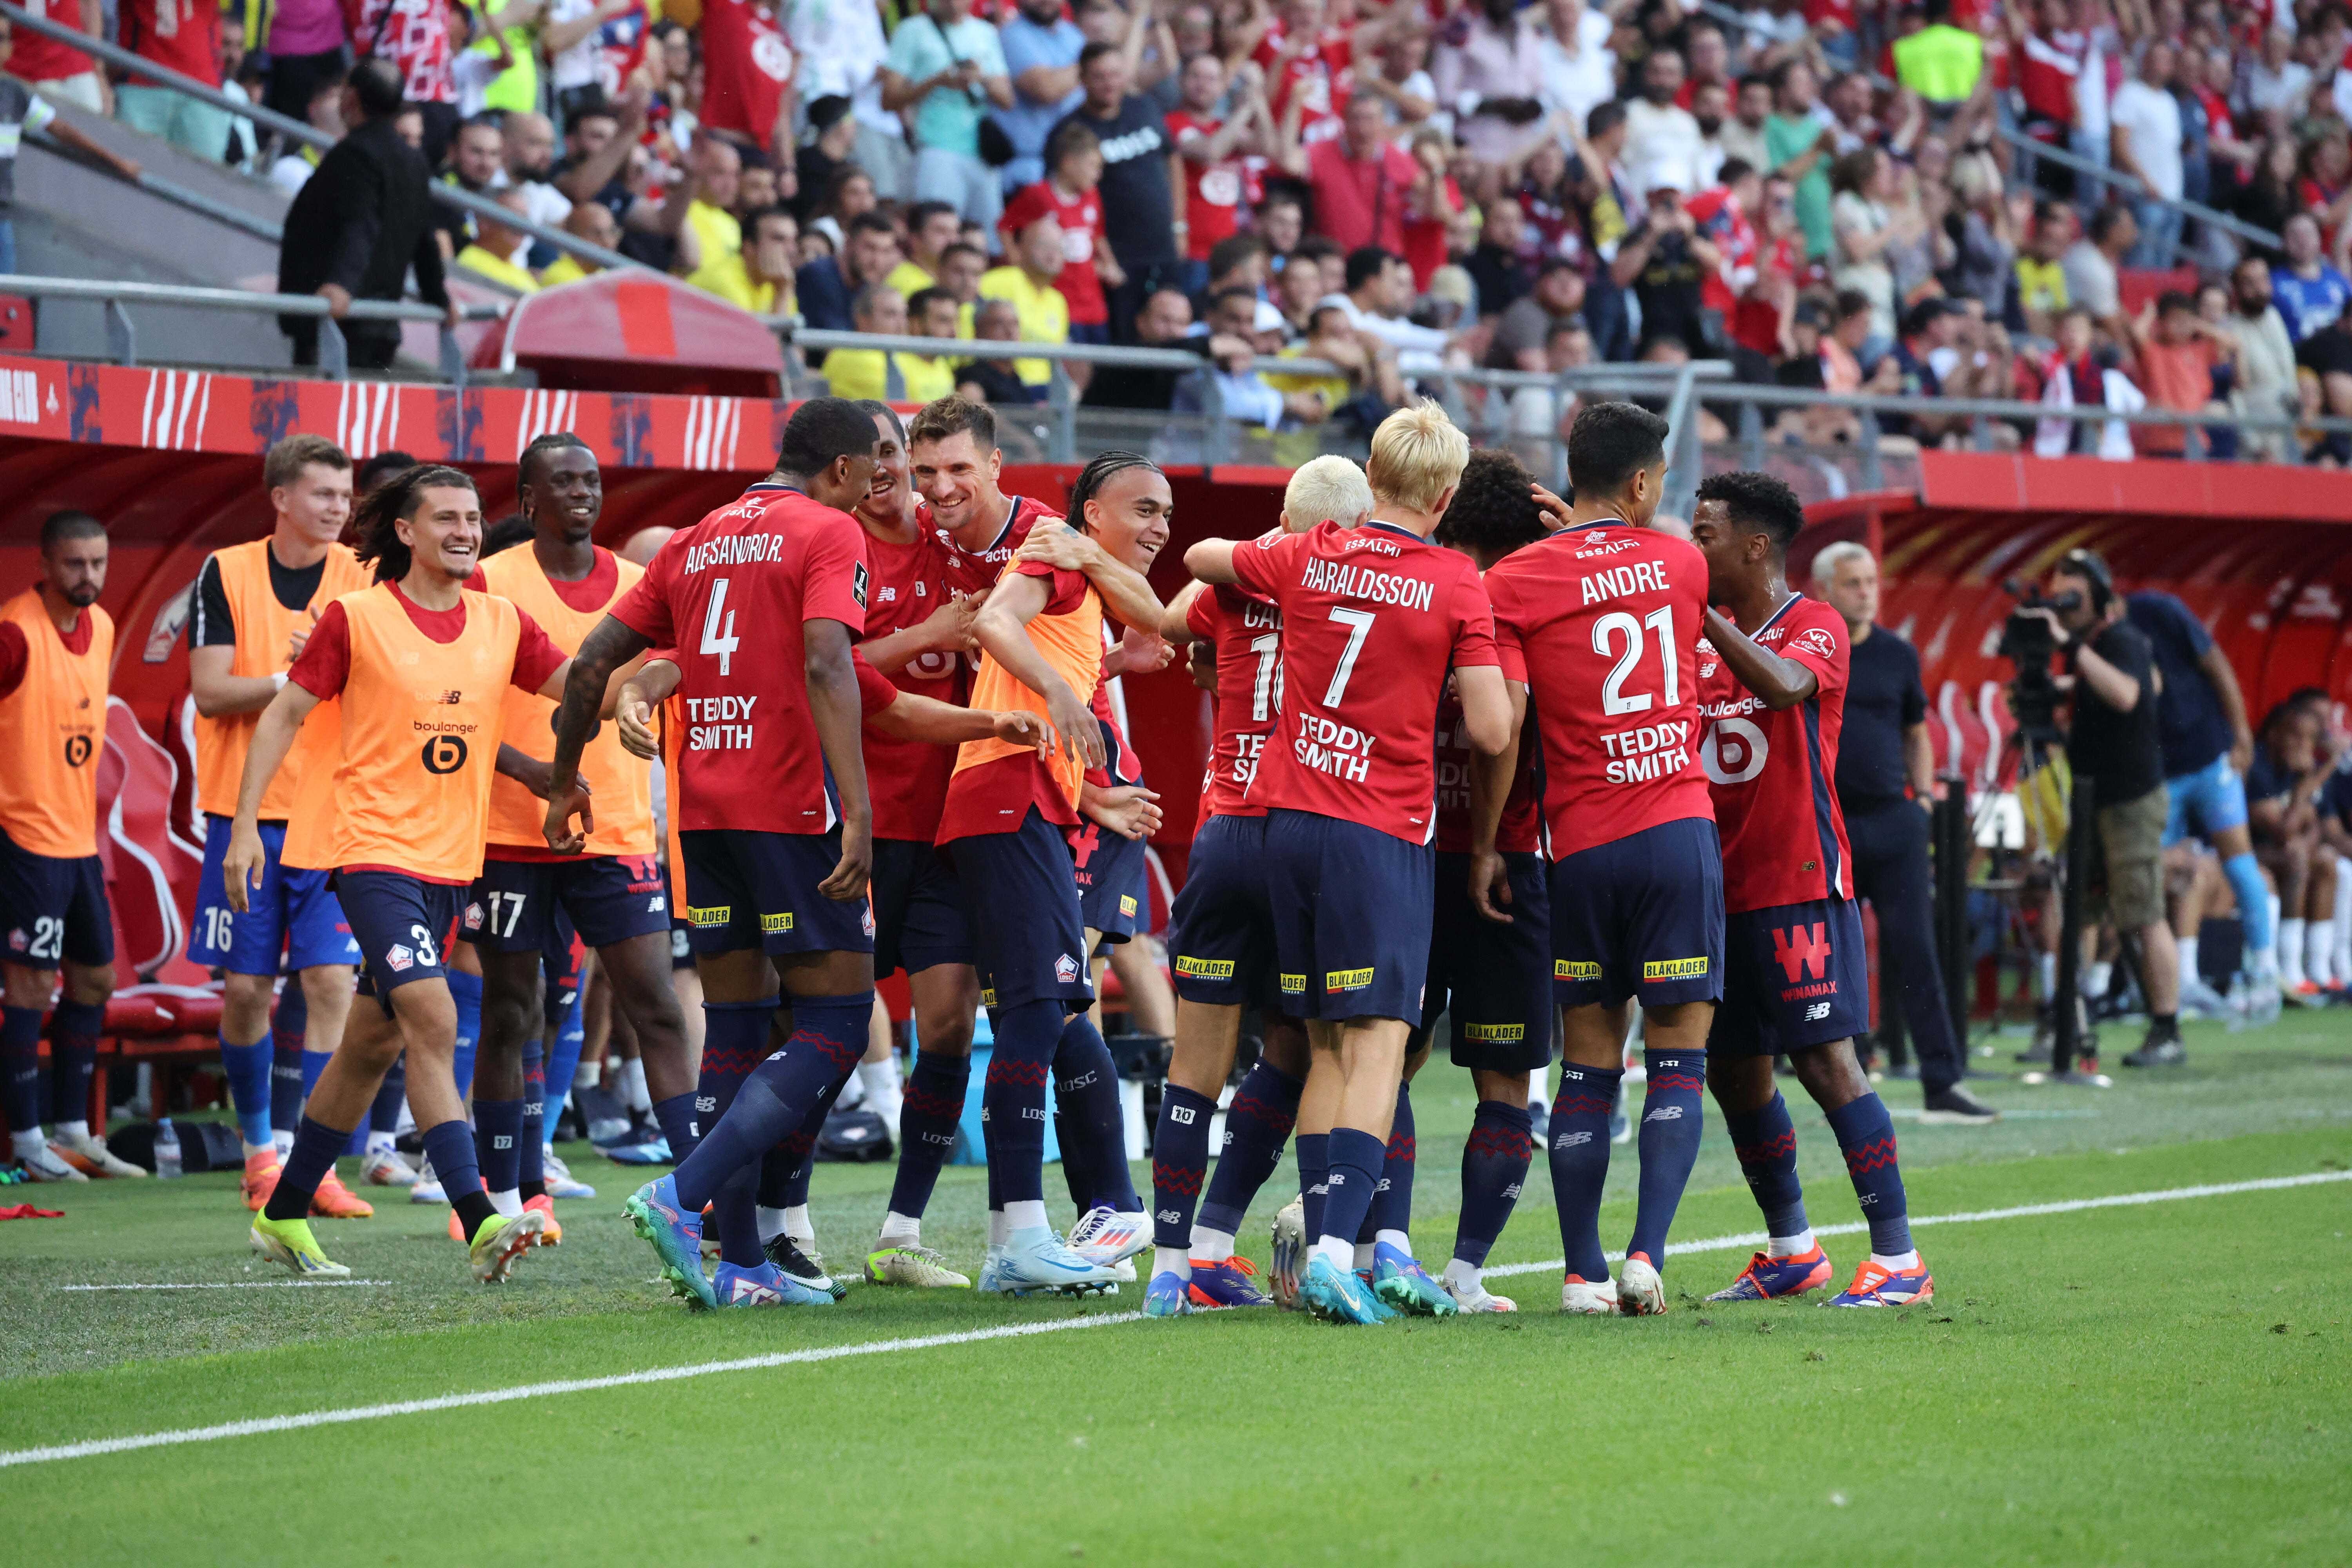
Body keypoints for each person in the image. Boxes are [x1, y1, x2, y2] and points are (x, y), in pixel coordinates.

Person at [548, 399, 879, 1311]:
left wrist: (564, 782)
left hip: (703, 818)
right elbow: (828, 663)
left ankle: (742, 1265)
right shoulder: (828, 531)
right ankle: (680, 1192)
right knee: (837, 1021)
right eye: (869, 471)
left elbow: (591, 665)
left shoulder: (693, 541)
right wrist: (857, 811)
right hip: (791, 808)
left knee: (734, 1026)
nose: (871, 488)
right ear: (841, 469)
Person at [1183, 403, 1510, 1326]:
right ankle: (1336, 1252)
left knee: (1323, 1038)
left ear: (1372, 472)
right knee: (1379, 1045)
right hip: (1379, 830)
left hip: (1288, 821)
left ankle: (1327, 1245)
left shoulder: (1309, 551)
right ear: (1445, 497)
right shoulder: (1455, 580)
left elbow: (1204, 556)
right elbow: (1493, 728)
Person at [238, 467, 575, 1280]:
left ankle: (283, 1211)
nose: (465, 531)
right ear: (405, 532)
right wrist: (245, 828)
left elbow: (580, 686)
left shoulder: (502, 620)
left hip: (450, 864)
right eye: (447, 518)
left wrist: (651, 678)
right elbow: (283, 714)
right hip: (370, 852)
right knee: (432, 1015)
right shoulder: (357, 618)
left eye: (473, 518)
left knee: (370, 1043)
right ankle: (480, 1217)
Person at [1469, 403, 1718, 1316]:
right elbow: (1625, 574)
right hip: (1676, 831)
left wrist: (1489, 843)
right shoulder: (1684, 563)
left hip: (1581, 845)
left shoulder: (1515, 579)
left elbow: (1504, 728)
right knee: (1678, 1054)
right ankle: (1647, 1254)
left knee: (1587, 1061)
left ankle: (1582, 1273)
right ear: (1643, 481)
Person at [920, 439, 1167, 1294]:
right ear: (1092, 513)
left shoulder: (1082, 574)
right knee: (1037, 1012)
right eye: (1144, 509)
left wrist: (1093, 680)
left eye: (1167, 513)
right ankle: (1021, 1236)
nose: (1160, 527)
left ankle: (1067, 1222)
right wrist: (1062, 695)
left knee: (1052, 1008)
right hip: (1008, 795)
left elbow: (1157, 617)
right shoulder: (1053, 556)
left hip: (1023, 799)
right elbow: (995, 622)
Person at [1690, 470, 1931, 1309]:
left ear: (1756, 546)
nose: (1693, 549)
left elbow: (1787, 688)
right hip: (1717, 888)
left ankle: (1899, 1259)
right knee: (1733, 1072)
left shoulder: (1815, 623)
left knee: (1828, 1063)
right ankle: (1794, 1249)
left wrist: (1702, 616)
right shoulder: (1697, 638)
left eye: (1706, 536)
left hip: (1797, 880)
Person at [1148, 457, 1373, 1319]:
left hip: (1223, 832)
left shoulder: (1236, 582)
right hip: (1303, 836)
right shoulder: (1356, 586)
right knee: (1317, 1051)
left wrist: (1258, 557)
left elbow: (1173, 619)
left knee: (1197, 1063)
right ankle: (1316, 1257)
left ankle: (1179, 1262)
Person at [461, 435, 691, 1239]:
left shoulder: (638, 584)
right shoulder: (490, 580)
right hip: (509, 829)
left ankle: (698, 1192)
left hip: (615, 829)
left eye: (591, 480)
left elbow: (659, 680)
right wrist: (529, 771)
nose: (582, 492)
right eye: (562, 482)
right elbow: (455, 702)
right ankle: (503, 1200)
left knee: (656, 1005)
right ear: (529, 500)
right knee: (511, 1011)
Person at [186, 437, 375, 1209]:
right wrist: (295, 674)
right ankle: (258, 1152)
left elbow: (387, 684)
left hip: (330, 816)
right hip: (246, 815)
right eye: (324, 493)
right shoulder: (225, 570)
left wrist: (340, 666)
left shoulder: (362, 575)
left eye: (345, 494)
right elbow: (209, 692)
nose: (339, 508)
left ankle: (310, 1163)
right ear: (281, 499)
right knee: (246, 991)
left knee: (331, 981)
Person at [1414, 449, 1553, 1315]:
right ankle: (1464, 1273)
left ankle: (1370, 1248)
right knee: (1504, 1082)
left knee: (1381, 1059)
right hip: (1506, 864)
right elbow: (1505, 731)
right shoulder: (1536, 604)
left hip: (1403, 854)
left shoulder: (1410, 588)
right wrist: (1491, 842)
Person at [1812, 541, 1996, 1124]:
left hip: (1895, 822)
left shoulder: (1898, 654)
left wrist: (1921, 800)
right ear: (1825, 591)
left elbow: (1917, 731)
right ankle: (1844, 1083)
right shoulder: (1809, 653)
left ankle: (1943, 1080)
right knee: (1829, 957)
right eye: (1853, 583)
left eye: (1871, 581)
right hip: (1830, 824)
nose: (1867, 592)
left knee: (1917, 949)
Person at [2027, 549, 2185, 1067]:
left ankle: (2167, 1028)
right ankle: (2068, 1017)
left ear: (2097, 595)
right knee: (2077, 909)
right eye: (2059, 595)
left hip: (2129, 798)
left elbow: (2127, 694)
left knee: (2143, 912)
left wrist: (2069, 647)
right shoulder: (2098, 646)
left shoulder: (2120, 639)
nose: (2065, 605)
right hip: (2092, 796)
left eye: (2073, 595)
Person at [0, 512, 122, 1183]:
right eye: (75, 564)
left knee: (95, 978)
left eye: (98, 563)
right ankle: (27, 1141)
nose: (89, 576)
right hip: (22, 835)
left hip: (78, 838)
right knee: (29, 983)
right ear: (45, 566)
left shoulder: (102, 625)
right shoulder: (14, 633)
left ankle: (74, 1131)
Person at [277, 58, 458, 370]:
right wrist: (439, 298)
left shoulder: (354, 154)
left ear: (351, 99)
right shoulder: (415, 162)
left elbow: (361, 224)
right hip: (380, 328)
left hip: (337, 329)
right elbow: (424, 241)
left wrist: (341, 284)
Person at [1048, 40, 1176, 338]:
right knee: (1124, 343)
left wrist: (1180, 225)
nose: (1109, 84)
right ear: (1082, 79)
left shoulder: (1144, 107)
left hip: (1162, 246)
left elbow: (1173, 160)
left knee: (1168, 335)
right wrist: (1101, 259)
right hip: (1116, 259)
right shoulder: (1070, 132)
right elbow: (1065, 201)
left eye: (1116, 74)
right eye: (1099, 76)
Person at [880, 0, 1012, 233]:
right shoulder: (912, 30)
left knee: (987, 237)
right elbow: (888, 99)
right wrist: (937, 81)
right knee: (937, 233)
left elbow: (1007, 99)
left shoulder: (986, 32)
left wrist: (980, 78)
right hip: (936, 147)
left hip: (982, 152)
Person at [1289, 91, 1418, 258]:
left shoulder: (1400, 160)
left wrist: (1435, 172)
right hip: (1333, 262)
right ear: (1344, 121)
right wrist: (1294, 104)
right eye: (1356, 119)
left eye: (1370, 119)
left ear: (1382, 123)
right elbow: (1287, 161)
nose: (1362, 129)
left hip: (1383, 264)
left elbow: (1435, 209)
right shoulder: (1321, 154)